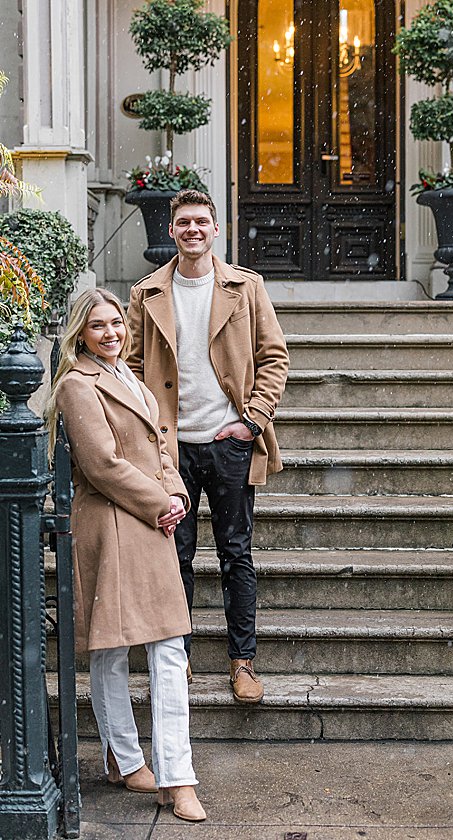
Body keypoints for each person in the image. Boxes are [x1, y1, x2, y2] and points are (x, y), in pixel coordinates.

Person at [125, 188, 289, 704]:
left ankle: (243, 662)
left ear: (216, 230)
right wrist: (146, 435)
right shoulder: (146, 293)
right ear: (170, 231)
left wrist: (251, 421)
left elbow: (274, 358)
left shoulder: (247, 286)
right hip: (170, 452)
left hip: (229, 444)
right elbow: (128, 368)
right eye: (184, 223)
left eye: (201, 222)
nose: (192, 230)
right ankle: (180, 659)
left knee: (236, 554)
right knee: (175, 556)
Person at [48, 288, 206, 821]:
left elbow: (163, 448)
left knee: (167, 649)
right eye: (98, 326)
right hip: (111, 524)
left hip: (152, 523)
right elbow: (101, 465)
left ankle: (175, 774)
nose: (111, 333)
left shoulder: (135, 382)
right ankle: (126, 757)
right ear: (80, 333)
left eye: (117, 323)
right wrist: (160, 500)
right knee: (112, 649)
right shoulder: (75, 384)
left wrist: (178, 494)